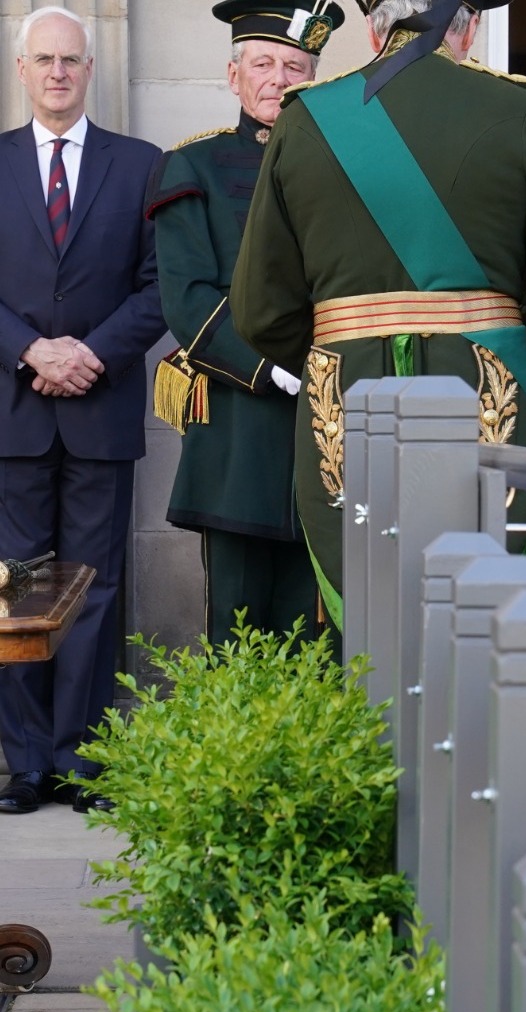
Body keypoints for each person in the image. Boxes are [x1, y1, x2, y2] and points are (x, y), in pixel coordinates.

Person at [230, 0, 526, 636]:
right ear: (471, 27)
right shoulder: (522, 111)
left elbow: (260, 310)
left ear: (375, 29)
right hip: (488, 392)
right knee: (478, 627)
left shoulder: (307, 119)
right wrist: (499, 351)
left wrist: (340, 354)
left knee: (374, 632)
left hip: (344, 400)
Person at [0, 7, 164, 814]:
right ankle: (27, 763)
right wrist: (32, 352)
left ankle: (85, 760)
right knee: (19, 590)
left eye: (71, 59)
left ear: (89, 69)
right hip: (14, 410)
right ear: (21, 70)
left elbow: (163, 285)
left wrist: (89, 354)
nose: (58, 72)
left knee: (94, 587)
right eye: (44, 60)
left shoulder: (140, 165)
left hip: (100, 407)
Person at [146, 2, 349, 646]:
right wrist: (272, 369)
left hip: (329, 433)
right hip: (237, 433)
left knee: (318, 642)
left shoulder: (348, 167)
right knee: (235, 636)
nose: (278, 78)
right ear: (234, 77)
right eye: (263, 63)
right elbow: (187, 299)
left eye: (295, 66)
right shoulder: (194, 166)